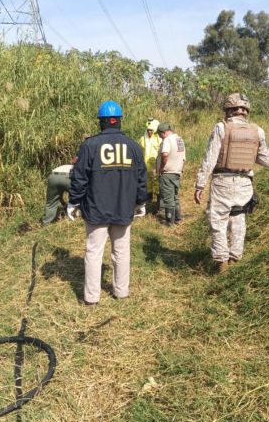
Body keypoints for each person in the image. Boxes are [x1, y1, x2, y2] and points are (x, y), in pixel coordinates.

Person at [67, 101, 147, 305]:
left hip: (96, 209)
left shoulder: (89, 145)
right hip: (123, 208)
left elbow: (80, 177)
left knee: (94, 253)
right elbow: (141, 178)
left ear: (101, 122)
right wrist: (141, 202)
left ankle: (91, 298)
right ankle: (121, 292)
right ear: (119, 121)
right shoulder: (134, 147)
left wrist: (73, 202)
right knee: (121, 251)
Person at [194, 93, 269, 273]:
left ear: (229, 110)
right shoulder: (257, 131)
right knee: (238, 220)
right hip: (245, 184)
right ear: (246, 111)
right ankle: (236, 258)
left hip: (223, 182)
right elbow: (265, 160)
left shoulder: (222, 127)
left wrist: (200, 184)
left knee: (218, 221)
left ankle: (221, 261)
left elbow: (210, 158)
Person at [156, 122, 186, 226]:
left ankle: (169, 222)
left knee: (168, 198)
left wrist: (161, 168)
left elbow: (165, 154)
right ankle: (178, 219)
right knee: (175, 197)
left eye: (159, 134)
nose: (159, 137)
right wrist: (180, 170)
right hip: (177, 172)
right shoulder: (179, 139)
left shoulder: (167, 140)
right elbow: (183, 159)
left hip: (167, 173)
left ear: (163, 133)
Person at [138, 118, 162, 211]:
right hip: (145, 167)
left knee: (157, 185)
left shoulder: (159, 139)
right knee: (147, 186)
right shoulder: (142, 139)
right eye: (148, 130)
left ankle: (158, 205)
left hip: (156, 167)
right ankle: (148, 205)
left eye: (151, 130)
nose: (149, 132)